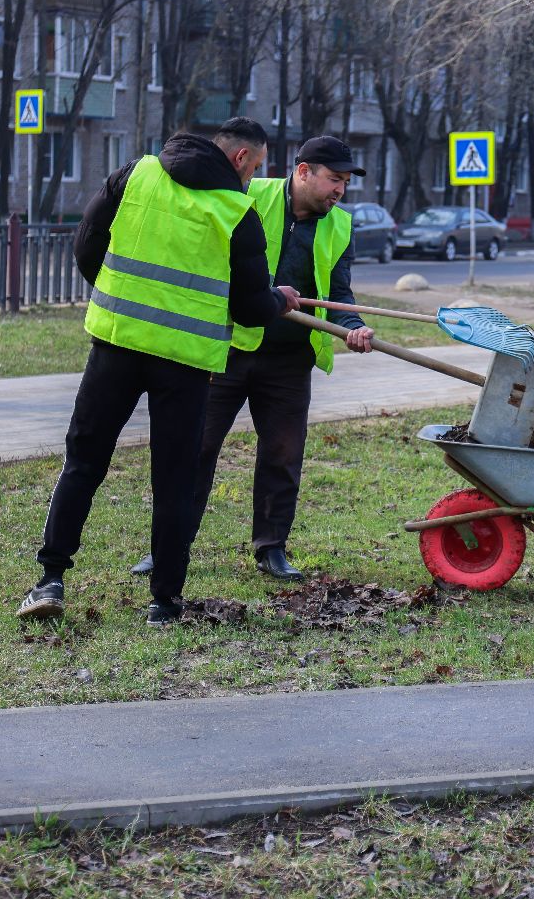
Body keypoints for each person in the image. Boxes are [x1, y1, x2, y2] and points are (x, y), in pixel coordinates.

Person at [19, 118, 299, 627]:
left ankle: (49, 579)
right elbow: (251, 308)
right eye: (255, 167)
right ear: (239, 159)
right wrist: (279, 300)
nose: (253, 178)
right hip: (186, 364)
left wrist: (123, 302)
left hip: (116, 345)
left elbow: (85, 246)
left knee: (83, 463)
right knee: (174, 481)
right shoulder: (238, 212)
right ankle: (164, 604)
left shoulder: (135, 175)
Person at [129, 135, 374, 584]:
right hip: (229, 349)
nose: (340, 191)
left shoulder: (340, 225)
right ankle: (168, 546)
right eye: (333, 180)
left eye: (344, 183)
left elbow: (339, 293)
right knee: (195, 449)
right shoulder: (248, 196)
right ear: (303, 172)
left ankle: (271, 548)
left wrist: (354, 324)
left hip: (289, 361)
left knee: (283, 454)